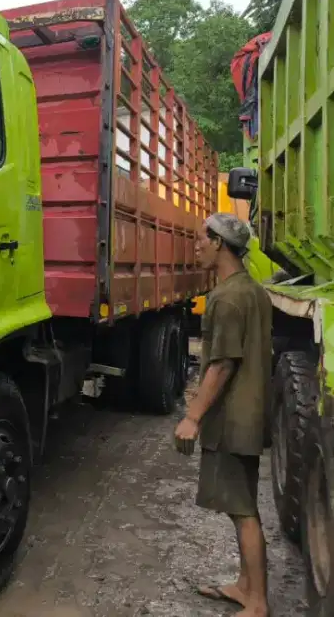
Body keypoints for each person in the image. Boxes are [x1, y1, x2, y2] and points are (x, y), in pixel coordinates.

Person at [175, 212, 272, 617]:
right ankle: (245, 585)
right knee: (242, 502)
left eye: (201, 239)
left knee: (243, 511)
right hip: (249, 416)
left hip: (233, 420)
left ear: (219, 243)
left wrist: (193, 416)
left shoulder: (227, 297)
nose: (196, 245)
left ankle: (257, 602)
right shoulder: (252, 291)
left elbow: (221, 365)